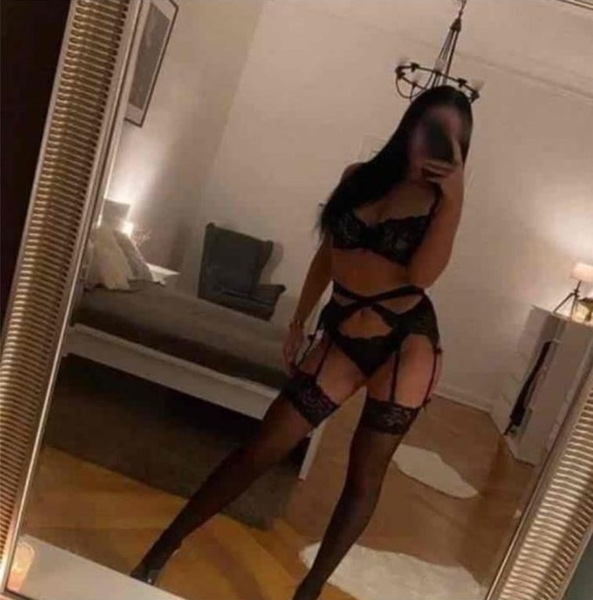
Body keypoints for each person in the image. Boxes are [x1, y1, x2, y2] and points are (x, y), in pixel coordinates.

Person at [131, 85, 473, 600]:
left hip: (405, 343)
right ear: (410, 124)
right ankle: (161, 549)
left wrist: (454, 200)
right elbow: (327, 256)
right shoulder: (358, 178)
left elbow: (422, 276)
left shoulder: (439, 205)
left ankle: (307, 593)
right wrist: (299, 319)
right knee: (260, 448)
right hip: (343, 330)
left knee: (363, 477)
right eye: (431, 128)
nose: (437, 144)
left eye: (451, 138)